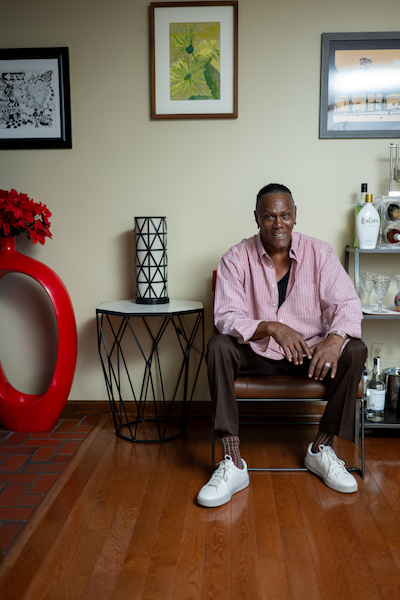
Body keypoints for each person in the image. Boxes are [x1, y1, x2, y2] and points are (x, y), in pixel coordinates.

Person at [197, 183, 367, 508]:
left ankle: (321, 448)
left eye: (285, 215)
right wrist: (272, 327)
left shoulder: (320, 253)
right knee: (218, 345)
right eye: (270, 216)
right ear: (257, 218)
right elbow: (225, 317)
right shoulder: (236, 257)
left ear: (295, 215)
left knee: (354, 349)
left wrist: (334, 339)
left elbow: (347, 303)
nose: (278, 224)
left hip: (308, 354)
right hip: (257, 353)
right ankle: (232, 462)